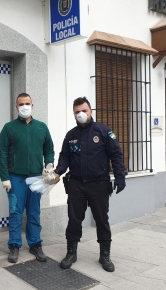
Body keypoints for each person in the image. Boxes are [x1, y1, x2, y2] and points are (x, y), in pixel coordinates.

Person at [52, 97, 126, 272]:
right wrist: (57, 172)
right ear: (73, 113)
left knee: (101, 219)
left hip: (99, 184)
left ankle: (105, 255)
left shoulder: (104, 132)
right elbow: (65, 157)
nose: (81, 114)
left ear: (91, 111)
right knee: (74, 220)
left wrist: (120, 177)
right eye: (77, 112)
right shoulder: (71, 135)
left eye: (84, 111)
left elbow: (116, 155)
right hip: (76, 184)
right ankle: (71, 252)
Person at [0, 93, 55, 263]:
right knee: (15, 212)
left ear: (32, 105)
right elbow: (2, 153)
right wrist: (4, 177)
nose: (24, 106)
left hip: (37, 178)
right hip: (16, 178)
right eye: (21, 104)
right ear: (16, 107)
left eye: (27, 103)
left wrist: (49, 163)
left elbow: (49, 148)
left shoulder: (41, 127)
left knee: (34, 212)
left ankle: (35, 244)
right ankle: (14, 245)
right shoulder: (9, 128)